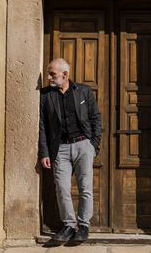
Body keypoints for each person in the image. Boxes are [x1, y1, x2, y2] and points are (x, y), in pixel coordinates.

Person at [39, 58, 102, 242]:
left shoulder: (84, 91)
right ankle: (68, 225)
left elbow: (95, 118)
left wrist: (93, 144)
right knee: (62, 188)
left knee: (85, 188)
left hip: (83, 145)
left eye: (52, 74)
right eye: (49, 73)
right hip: (60, 148)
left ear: (65, 75)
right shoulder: (45, 95)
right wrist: (44, 152)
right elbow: (42, 126)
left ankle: (83, 226)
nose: (49, 77)